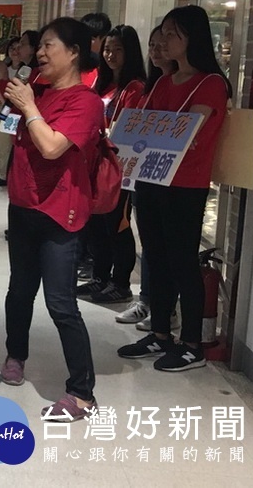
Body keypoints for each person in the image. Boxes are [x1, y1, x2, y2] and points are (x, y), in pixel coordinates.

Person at [0, 17, 103, 421]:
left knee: (60, 303)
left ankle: (82, 394)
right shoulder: (33, 88)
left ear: (74, 53)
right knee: (19, 291)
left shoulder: (84, 102)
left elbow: (53, 147)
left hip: (61, 214)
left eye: (49, 46)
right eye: (39, 46)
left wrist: (30, 107)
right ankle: (15, 356)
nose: (39, 52)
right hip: (23, 208)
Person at [117, 6, 230, 372]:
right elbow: (143, 125)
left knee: (182, 261)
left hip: (185, 184)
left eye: (172, 34)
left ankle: (192, 343)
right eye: (162, 33)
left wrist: (151, 130)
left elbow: (184, 131)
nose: (163, 41)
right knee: (156, 258)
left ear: (192, 38)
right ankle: (161, 333)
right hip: (151, 179)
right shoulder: (164, 82)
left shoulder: (211, 83)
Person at [76, 25, 146, 305]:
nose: (111, 55)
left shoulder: (135, 88)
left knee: (117, 224)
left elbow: (130, 127)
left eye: (118, 49)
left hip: (119, 168)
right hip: (95, 163)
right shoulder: (101, 84)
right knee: (96, 224)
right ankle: (100, 277)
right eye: (107, 48)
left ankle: (120, 283)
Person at [117, 25, 177, 327]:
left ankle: (166, 310)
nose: (157, 49)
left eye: (164, 42)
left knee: (167, 247)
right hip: (144, 172)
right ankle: (147, 302)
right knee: (150, 243)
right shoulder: (153, 86)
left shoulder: (190, 84)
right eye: (152, 44)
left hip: (171, 177)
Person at [0, 38, 21, 187]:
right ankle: (4, 175)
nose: (15, 51)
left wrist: (4, 76)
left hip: (16, 113)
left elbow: (10, 91)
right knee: (3, 145)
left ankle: (15, 175)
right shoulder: (3, 67)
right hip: (2, 111)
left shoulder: (26, 70)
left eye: (19, 47)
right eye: (12, 48)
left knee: (15, 145)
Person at [79, 13, 112, 89]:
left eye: (91, 39)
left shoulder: (105, 72)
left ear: (104, 39)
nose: (85, 42)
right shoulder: (74, 66)